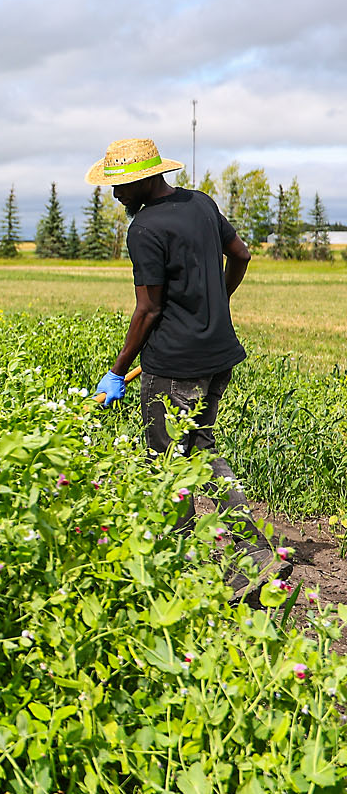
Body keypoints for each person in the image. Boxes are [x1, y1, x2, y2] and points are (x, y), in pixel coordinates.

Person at [87, 137, 287, 602]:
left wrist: (117, 371)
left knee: (168, 463)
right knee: (200, 451)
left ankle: (177, 566)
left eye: (119, 186)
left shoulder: (145, 229)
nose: (115, 195)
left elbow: (148, 310)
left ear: (142, 179)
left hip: (173, 366)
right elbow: (241, 254)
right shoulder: (200, 204)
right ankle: (254, 556)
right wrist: (217, 298)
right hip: (218, 357)